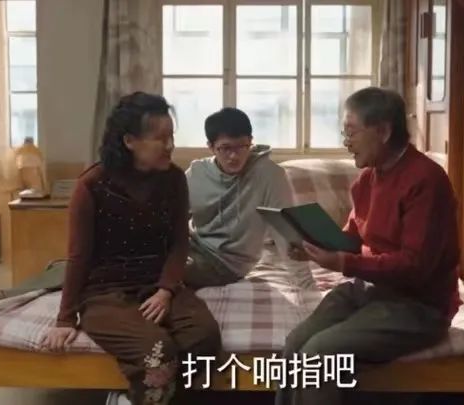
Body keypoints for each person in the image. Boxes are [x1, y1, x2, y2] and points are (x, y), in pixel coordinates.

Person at [275, 87, 462, 405]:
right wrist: (311, 246)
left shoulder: (426, 180)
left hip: (419, 305)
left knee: (320, 354)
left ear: (384, 131)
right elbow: (352, 240)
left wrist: (343, 263)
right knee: (295, 343)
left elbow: (415, 265)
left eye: (351, 132)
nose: (345, 142)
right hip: (369, 291)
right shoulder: (365, 181)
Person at [40, 92, 222, 405]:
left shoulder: (174, 179)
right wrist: (65, 319)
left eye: (172, 137)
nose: (169, 146)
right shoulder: (92, 185)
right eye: (160, 138)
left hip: (158, 285)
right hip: (105, 293)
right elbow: (78, 256)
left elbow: (180, 242)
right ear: (129, 141)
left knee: (204, 337)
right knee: (158, 350)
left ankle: (132, 397)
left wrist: (166, 289)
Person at [183, 107, 296, 288]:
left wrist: (306, 286)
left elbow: (286, 231)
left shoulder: (269, 175)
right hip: (192, 246)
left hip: (227, 264)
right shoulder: (197, 172)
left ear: (250, 141)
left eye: (242, 147)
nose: (234, 156)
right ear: (211, 147)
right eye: (225, 148)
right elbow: (173, 217)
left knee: (161, 273)